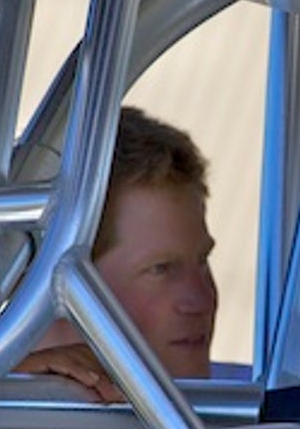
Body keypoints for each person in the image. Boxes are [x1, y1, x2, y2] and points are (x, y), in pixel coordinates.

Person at [30, 105, 218, 385]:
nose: (201, 301)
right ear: (45, 285)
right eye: (161, 269)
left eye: (202, 261)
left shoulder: (264, 402)